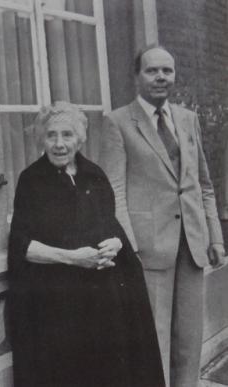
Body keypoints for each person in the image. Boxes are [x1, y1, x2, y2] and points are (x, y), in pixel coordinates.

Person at [7, 101, 164, 387]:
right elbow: (21, 246)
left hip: (103, 297)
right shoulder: (31, 181)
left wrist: (116, 244)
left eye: (67, 135)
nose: (58, 144)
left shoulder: (95, 174)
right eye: (51, 135)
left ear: (80, 139)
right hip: (57, 301)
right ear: (41, 139)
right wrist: (72, 258)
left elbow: (111, 224)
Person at [99, 45, 226, 387]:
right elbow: (115, 191)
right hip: (148, 249)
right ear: (136, 76)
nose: (160, 77)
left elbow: (204, 184)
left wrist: (215, 237)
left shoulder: (187, 119)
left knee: (189, 338)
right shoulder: (117, 122)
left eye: (167, 71)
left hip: (192, 245)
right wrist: (132, 247)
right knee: (153, 339)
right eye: (152, 70)